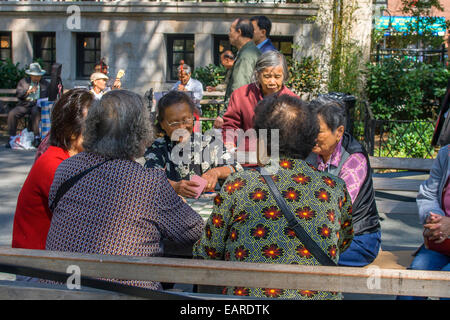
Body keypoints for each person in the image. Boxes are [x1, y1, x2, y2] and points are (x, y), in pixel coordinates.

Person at [193, 94, 354, 299]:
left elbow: (208, 251)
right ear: (309, 139)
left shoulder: (238, 184)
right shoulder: (334, 187)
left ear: (263, 140)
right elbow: (344, 240)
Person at [45, 90, 204, 290]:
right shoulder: (149, 182)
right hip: (126, 292)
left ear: (92, 126)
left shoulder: (66, 168)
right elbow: (195, 231)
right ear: (141, 133)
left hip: (60, 290)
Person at [12, 89, 94, 250]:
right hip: (35, 264)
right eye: (93, 125)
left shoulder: (69, 159)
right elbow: (87, 216)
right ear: (71, 132)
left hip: (53, 258)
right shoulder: (55, 165)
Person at [305, 97, 381, 267]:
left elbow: (337, 207)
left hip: (358, 239)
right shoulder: (309, 151)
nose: (310, 136)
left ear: (339, 132)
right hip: (321, 235)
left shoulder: (354, 158)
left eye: (317, 131)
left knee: (306, 258)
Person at [144, 90, 241, 198]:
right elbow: (149, 178)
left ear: (193, 118)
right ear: (162, 124)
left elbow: (236, 168)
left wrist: (216, 172)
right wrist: (174, 187)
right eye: (174, 123)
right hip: (170, 210)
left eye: (186, 120)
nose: (181, 128)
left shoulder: (209, 143)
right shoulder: (158, 147)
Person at [397, 145, 450, 300]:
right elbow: (429, 194)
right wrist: (434, 218)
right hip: (442, 243)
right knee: (412, 284)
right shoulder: (446, 153)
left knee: (447, 282)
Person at [222, 51, 298, 157]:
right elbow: (230, 125)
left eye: (277, 77)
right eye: (267, 76)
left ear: (284, 75)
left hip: (281, 161)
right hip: (246, 158)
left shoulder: (293, 101)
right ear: (258, 74)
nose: (272, 82)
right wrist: (229, 144)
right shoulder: (240, 95)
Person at [215, 18, 261, 129]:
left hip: (242, 117)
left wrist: (223, 115)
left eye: (231, 30)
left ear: (239, 32)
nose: (229, 34)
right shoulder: (250, 51)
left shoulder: (246, 55)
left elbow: (239, 88)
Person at [6, 62, 49, 148]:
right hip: (25, 104)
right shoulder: (23, 82)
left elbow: (49, 97)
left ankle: (37, 138)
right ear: (30, 75)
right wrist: (28, 92)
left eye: (38, 76)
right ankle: (12, 137)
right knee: (12, 113)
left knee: (35, 111)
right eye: (35, 76)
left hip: (37, 105)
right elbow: (19, 95)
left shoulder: (45, 83)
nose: (37, 78)